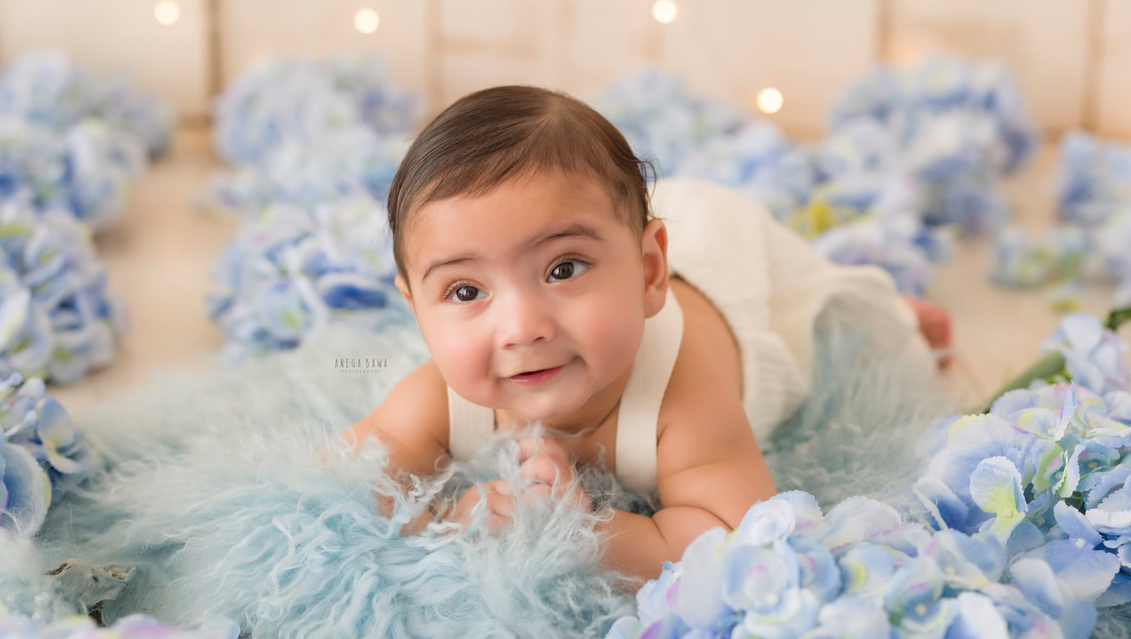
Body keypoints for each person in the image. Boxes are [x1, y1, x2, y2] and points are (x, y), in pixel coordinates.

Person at [341, 85, 952, 583]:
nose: (522, 329)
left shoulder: (684, 397)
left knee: (839, 320)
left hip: (735, 268)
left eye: (563, 269)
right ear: (417, 312)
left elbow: (732, 535)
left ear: (650, 271)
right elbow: (349, 483)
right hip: (629, 230)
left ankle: (903, 308)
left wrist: (580, 529)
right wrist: (447, 521)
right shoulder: (438, 396)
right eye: (465, 292)